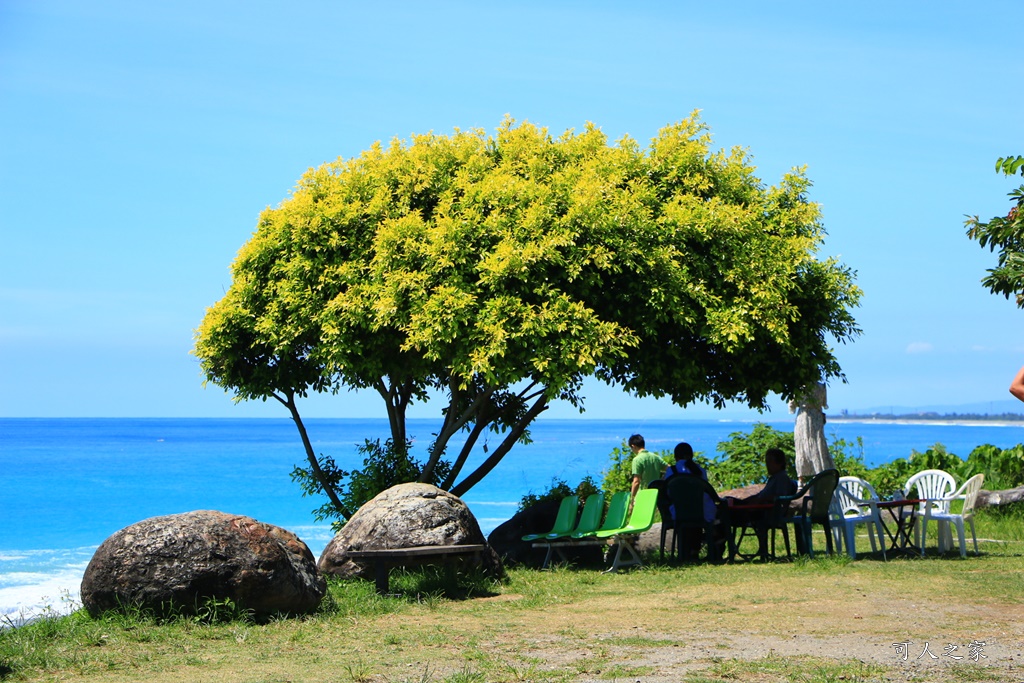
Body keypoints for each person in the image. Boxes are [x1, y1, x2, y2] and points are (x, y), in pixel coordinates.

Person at [789, 382, 835, 486]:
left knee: (802, 445)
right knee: (818, 444)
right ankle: (819, 472)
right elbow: (824, 403)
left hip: (804, 417)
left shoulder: (798, 387)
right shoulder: (821, 387)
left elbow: (792, 405)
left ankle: (801, 478)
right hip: (817, 417)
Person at [628, 434, 664, 502]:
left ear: (633, 446)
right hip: (654, 496)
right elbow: (670, 469)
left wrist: (632, 499)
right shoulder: (655, 457)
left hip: (642, 496)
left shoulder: (637, 459)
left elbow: (636, 481)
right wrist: (661, 480)